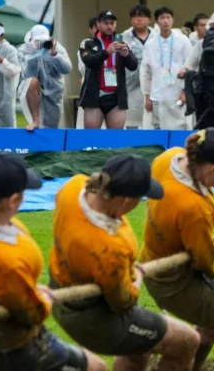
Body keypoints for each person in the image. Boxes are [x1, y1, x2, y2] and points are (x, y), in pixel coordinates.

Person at [49, 154, 199, 370]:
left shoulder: (72, 188)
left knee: (138, 350)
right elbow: (123, 301)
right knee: (186, 341)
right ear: (126, 200)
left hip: (61, 287)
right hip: (92, 314)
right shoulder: (110, 249)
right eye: (140, 198)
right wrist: (136, 276)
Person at [141, 128, 214, 371]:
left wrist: (198, 238)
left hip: (152, 261)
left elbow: (174, 220)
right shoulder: (194, 207)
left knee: (211, 323)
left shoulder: (169, 158)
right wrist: (204, 244)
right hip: (176, 279)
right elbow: (205, 261)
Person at [0, 153, 107, 371]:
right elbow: (31, 314)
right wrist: (43, 299)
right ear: (13, 200)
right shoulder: (4, 259)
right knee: (96, 368)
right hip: (17, 344)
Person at [78, 10, 138, 129]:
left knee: (115, 139)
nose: (109, 26)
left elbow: (133, 66)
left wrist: (126, 55)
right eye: (106, 23)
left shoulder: (121, 43)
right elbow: (89, 62)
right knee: (92, 137)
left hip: (116, 97)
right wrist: (106, 52)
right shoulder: (88, 43)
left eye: (112, 23)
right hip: (95, 96)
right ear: (99, 24)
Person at [140, 6, 193, 130]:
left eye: (168, 17)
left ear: (173, 20)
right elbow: (146, 72)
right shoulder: (150, 43)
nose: (165, 21)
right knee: (157, 128)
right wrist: (147, 96)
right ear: (156, 22)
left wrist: (185, 92)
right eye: (162, 18)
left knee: (178, 128)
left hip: (177, 94)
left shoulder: (183, 41)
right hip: (156, 94)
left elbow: (190, 67)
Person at [17, 24, 72, 131]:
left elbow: (67, 69)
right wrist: (34, 54)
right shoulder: (23, 50)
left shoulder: (56, 47)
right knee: (32, 81)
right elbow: (28, 75)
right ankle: (35, 120)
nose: (41, 43)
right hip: (31, 92)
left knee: (52, 129)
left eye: (43, 40)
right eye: (38, 40)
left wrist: (54, 54)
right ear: (31, 39)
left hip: (53, 94)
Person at [122, 5, 154, 129]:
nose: (139, 20)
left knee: (151, 121)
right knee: (131, 120)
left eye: (142, 17)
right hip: (130, 84)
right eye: (135, 17)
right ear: (131, 20)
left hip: (152, 83)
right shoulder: (123, 37)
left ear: (149, 20)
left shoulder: (157, 37)